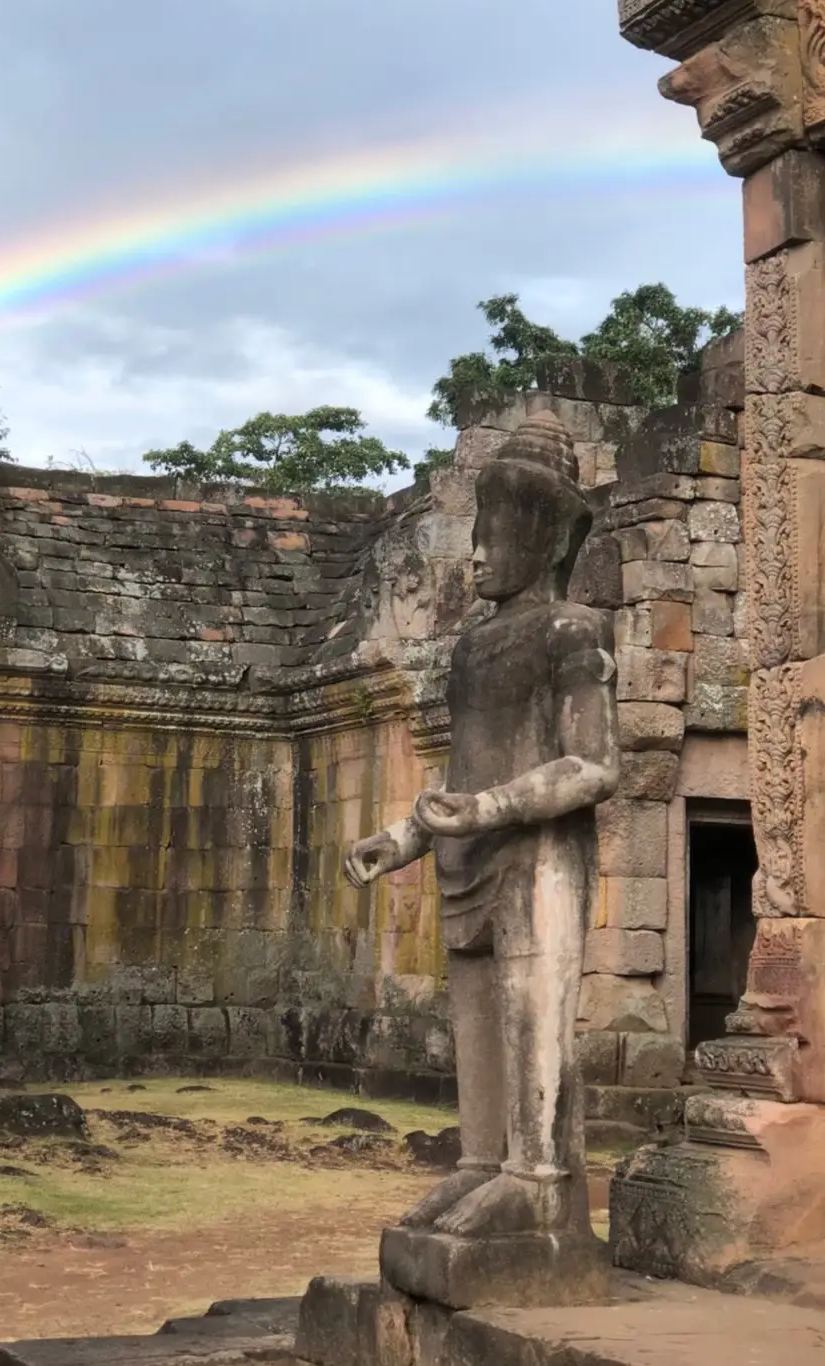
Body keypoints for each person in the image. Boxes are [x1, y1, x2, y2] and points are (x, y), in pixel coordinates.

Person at [345, 407, 619, 1240]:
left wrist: (491, 809)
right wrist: (405, 837)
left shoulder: (573, 631)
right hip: (467, 857)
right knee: (476, 1026)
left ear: (546, 535)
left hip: (540, 860)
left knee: (533, 1019)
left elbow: (594, 764)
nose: (477, 550)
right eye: (477, 529)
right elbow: (464, 771)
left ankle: (535, 1181)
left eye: (495, 530)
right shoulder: (471, 648)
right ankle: (477, 1164)